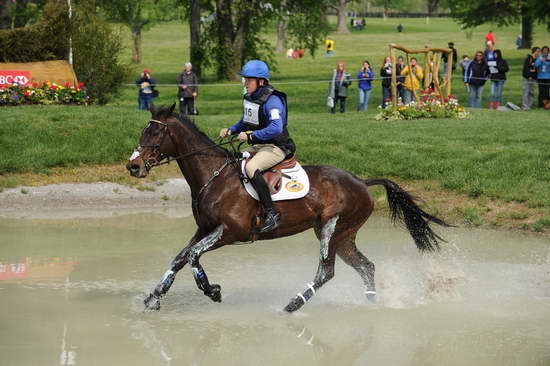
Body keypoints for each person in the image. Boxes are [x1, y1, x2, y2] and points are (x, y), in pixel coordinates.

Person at [218, 60, 295, 233]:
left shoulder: (273, 100)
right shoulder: (250, 97)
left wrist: (251, 135)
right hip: (259, 146)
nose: (245, 83)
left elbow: (276, 127)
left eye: (248, 80)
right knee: (234, 161)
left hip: (276, 147)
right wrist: (231, 130)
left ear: (261, 82)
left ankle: (271, 213)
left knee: (251, 167)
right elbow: (245, 120)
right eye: (245, 79)